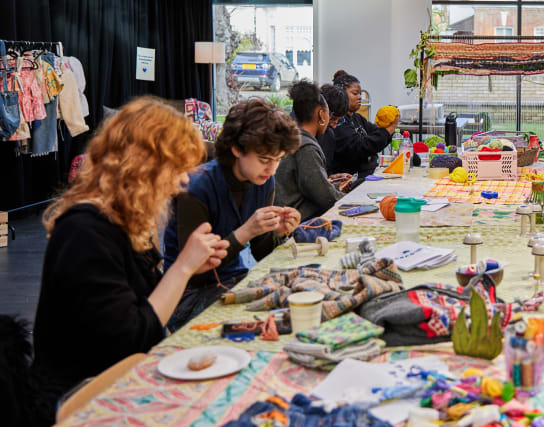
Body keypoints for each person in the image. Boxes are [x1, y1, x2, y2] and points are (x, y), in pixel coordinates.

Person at [31, 98, 230, 413]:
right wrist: (182, 268)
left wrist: (188, 270)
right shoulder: (84, 232)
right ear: (145, 166)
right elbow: (131, 339)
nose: (183, 181)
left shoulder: (125, 223)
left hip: (121, 379)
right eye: (177, 169)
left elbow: (144, 312)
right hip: (84, 400)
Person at [162, 98, 302, 329]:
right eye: (265, 159)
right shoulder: (196, 188)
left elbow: (260, 252)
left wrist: (277, 233)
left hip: (234, 279)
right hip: (186, 295)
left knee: (298, 302)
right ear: (236, 149)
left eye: (278, 160)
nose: (272, 169)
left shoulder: (263, 181)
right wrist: (245, 232)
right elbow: (194, 271)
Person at [276, 80, 346, 220]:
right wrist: (353, 200)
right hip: (299, 221)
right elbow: (325, 197)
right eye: (328, 113)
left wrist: (335, 185)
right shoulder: (306, 147)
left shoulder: (291, 138)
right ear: (321, 114)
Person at [322, 70, 395, 180]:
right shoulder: (338, 122)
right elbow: (360, 146)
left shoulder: (357, 118)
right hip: (352, 178)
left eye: (360, 94)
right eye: (355, 93)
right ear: (341, 94)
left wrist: (388, 127)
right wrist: (389, 129)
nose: (360, 97)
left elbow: (376, 133)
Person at [318, 83, 355, 191]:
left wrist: (332, 178)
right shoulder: (303, 140)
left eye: (339, 121)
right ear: (322, 112)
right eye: (333, 119)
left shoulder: (329, 135)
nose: (334, 125)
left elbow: (325, 172)